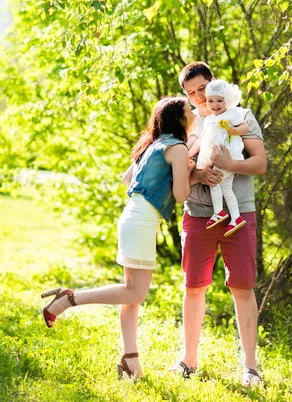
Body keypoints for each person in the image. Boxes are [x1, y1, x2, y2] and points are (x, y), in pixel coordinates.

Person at [41, 96, 195, 380]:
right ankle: (67, 299)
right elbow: (181, 195)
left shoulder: (152, 144)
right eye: (190, 109)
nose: (194, 111)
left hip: (132, 217)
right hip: (141, 222)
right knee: (136, 292)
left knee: (131, 294)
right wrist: (193, 173)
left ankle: (131, 360)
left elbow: (128, 179)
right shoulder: (178, 147)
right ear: (179, 118)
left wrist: (172, 176)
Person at [172, 62, 266, 386]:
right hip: (198, 214)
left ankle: (250, 367)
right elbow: (176, 167)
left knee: (242, 286)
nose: (198, 97)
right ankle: (189, 360)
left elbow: (260, 162)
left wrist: (231, 165)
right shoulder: (185, 122)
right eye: (191, 93)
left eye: (202, 89)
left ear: (213, 84)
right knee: (194, 286)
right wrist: (198, 174)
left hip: (238, 215)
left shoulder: (241, 115)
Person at [189, 79, 250, 235]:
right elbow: (202, 139)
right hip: (216, 157)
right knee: (226, 188)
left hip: (228, 155)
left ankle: (219, 213)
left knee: (214, 181)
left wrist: (232, 130)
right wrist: (189, 154)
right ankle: (236, 218)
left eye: (219, 101)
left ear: (227, 101)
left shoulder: (232, 113)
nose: (214, 105)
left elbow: (245, 128)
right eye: (210, 101)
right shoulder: (210, 119)